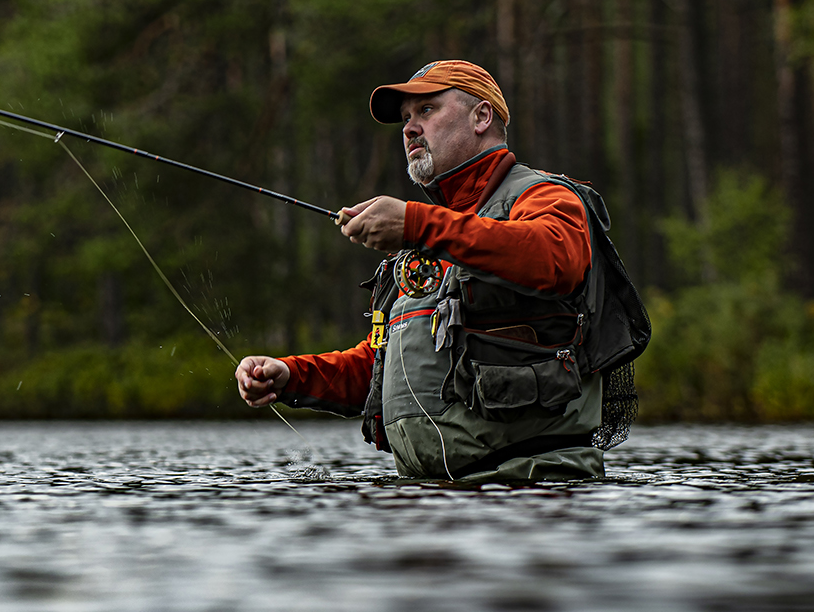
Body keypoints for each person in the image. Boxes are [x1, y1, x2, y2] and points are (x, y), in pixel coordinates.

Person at [235, 60, 616, 482]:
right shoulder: (430, 239)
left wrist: (418, 225)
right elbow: (389, 369)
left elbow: (555, 258)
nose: (409, 129)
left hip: (532, 491)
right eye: (405, 119)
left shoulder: (540, 195)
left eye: (427, 110)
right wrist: (290, 375)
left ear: (481, 117)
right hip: (432, 501)